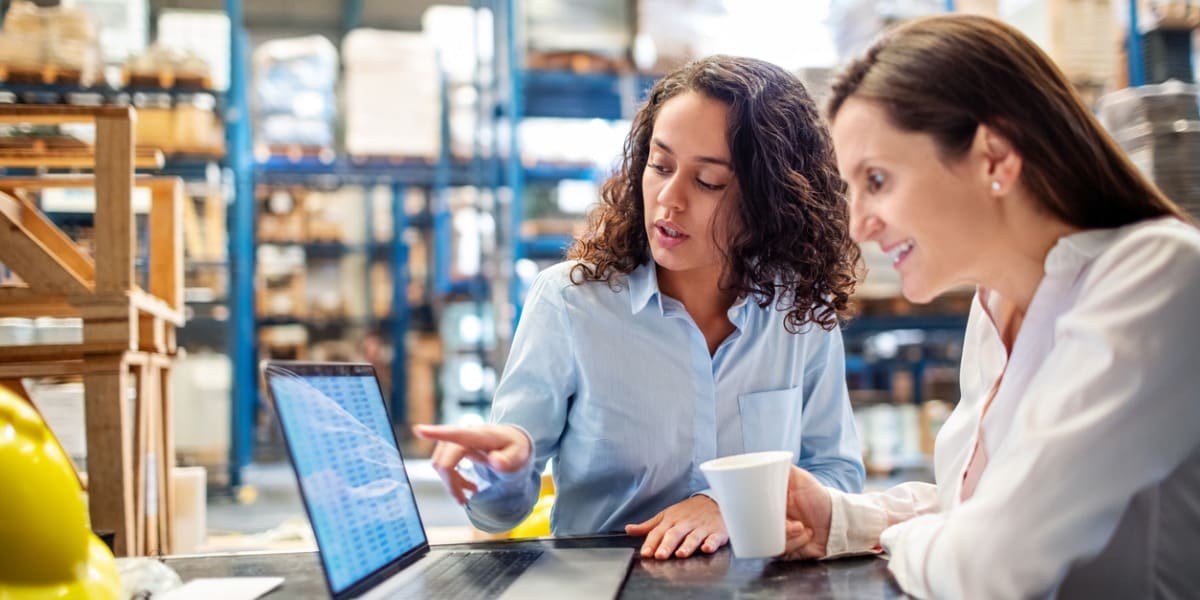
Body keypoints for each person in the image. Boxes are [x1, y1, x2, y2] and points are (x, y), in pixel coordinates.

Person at [781, 14, 1200, 599]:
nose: (859, 225)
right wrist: (841, 518)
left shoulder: (1156, 274)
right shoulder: (996, 302)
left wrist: (906, 539)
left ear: (995, 156)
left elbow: (990, 562)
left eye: (877, 179)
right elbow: (988, 504)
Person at [415, 55, 865, 560]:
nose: (669, 199)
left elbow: (838, 476)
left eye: (708, 181)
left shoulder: (799, 311)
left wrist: (727, 505)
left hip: (760, 586)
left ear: (771, 200)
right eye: (660, 165)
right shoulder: (570, 303)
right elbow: (497, 515)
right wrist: (505, 471)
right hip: (605, 582)